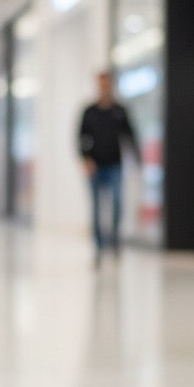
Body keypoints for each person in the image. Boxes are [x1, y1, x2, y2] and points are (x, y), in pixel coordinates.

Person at [78, 69, 139, 266]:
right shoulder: (89, 112)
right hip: (95, 166)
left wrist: (138, 158)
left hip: (115, 165)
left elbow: (130, 135)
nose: (104, 87)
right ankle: (98, 246)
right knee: (96, 208)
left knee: (117, 205)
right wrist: (85, 159)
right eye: (101, 83)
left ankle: (114, 242)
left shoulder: (119, 111)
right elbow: (81, 138)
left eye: (107, 83)